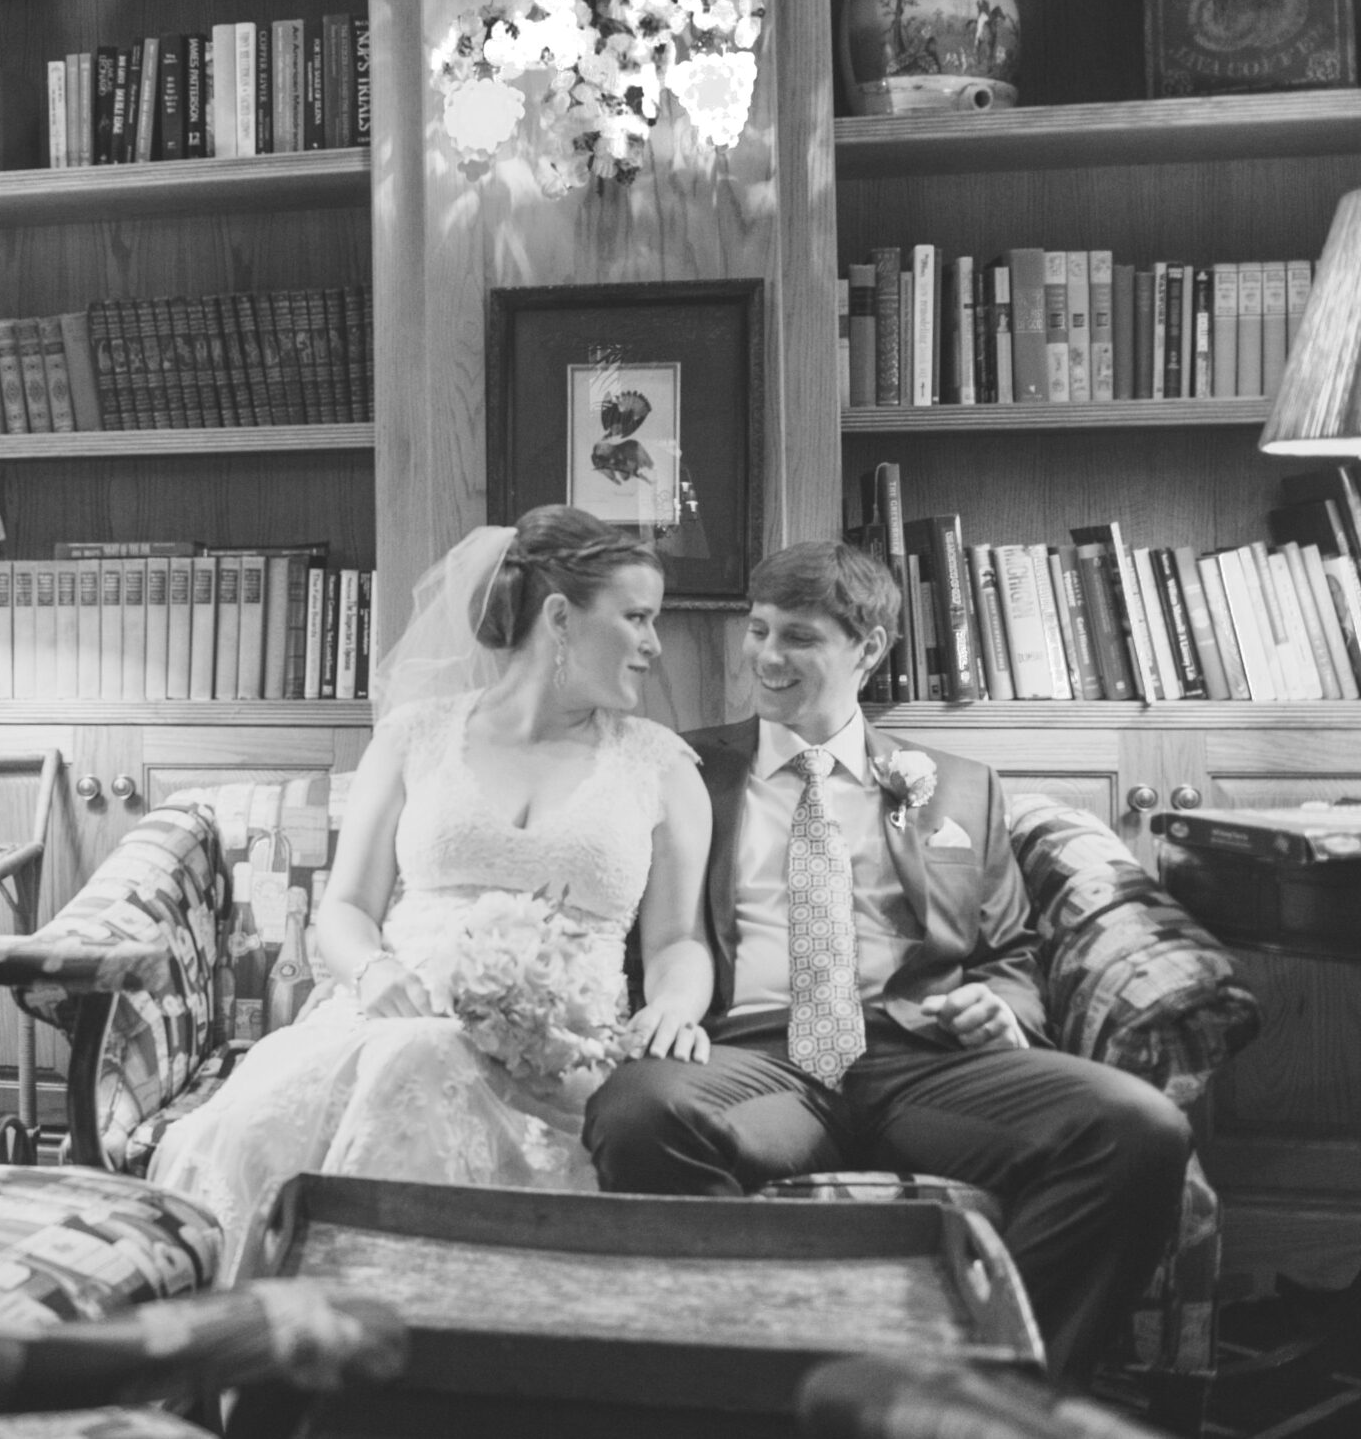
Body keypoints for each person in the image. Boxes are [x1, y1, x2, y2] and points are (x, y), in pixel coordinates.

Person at [581, 541, 1192, 1382]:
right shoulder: (684, 769)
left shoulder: (959, 787)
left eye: (797, 636)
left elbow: (1011, 950)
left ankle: (989, 1395)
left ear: (868, 649)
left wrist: (1000, 1008)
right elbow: (623, 918)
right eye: (757, 629)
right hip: (753, 1060)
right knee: (637, 1113)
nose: (764, 656)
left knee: (1139, 1128)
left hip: (923, 1064)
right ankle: (757, 1388)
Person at [147, 508, 715, 1271]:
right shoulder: (414, 735)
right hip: (385, 1011)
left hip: (555, 1051)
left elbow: (679, 941)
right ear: (559, 617)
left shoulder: (664, 768)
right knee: (342, 1086)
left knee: (423, 1060)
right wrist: (375, 972)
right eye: (637, 617)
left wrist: (674, 1005)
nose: (653, 643)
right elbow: (345, 909)